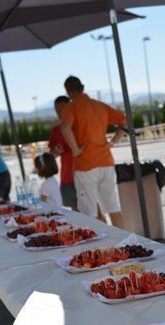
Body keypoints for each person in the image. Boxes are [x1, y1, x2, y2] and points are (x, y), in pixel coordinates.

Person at [60, 76, 126, 227]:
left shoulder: (70, 107)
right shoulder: (100, 106)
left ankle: (98, 248)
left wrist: (76, 150)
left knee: (90, 213)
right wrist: (113, 142)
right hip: (106, 161)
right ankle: (126, 245)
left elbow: (65, 128)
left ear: (69, 92)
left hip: (85, 165)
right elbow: (124, 121)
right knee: (113, 208)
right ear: (82, 88)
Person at [48, 96, 78, 210]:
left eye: (62, 109)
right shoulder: (56, 130)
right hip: (67, 177)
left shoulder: (80, 125)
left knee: (94, 212)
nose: (59, 113)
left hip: (85, 173)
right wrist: (56, 151)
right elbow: (51, 154)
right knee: (78, 214)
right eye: (57, 110)